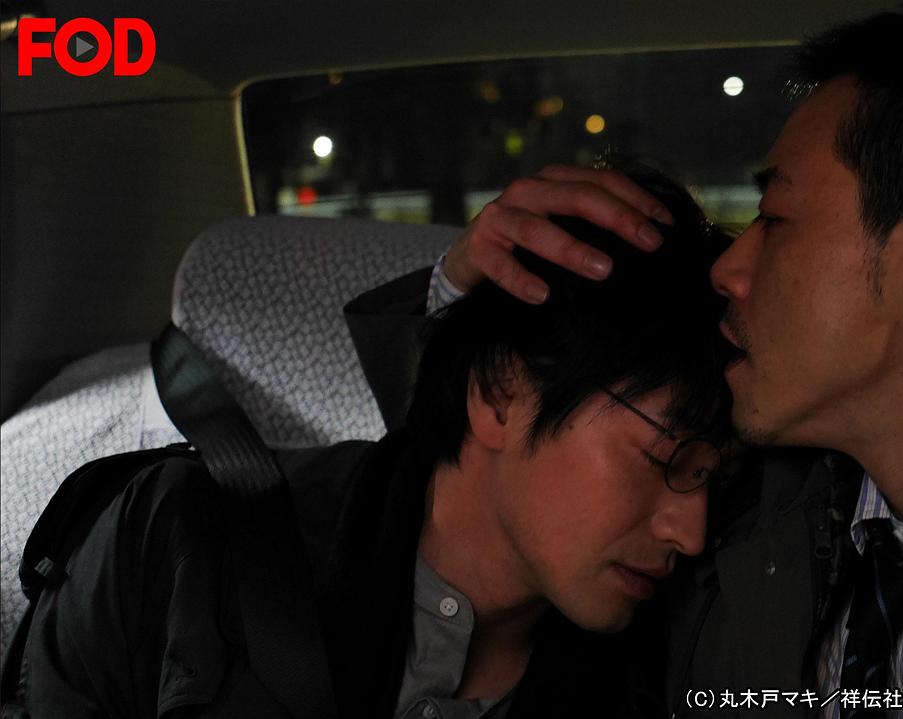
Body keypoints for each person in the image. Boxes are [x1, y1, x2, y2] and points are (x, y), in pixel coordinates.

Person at [349, 5, 903, 717]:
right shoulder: (756, 516)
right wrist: (465, 296)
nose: (730, 268)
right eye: (675, 465)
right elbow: (491, 468)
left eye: (776, 218)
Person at [24, 166, 739, 718]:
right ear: (498, 394)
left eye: (711, 475)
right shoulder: (179, 538)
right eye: (663, 459)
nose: (690, 531)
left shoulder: (676, 666)